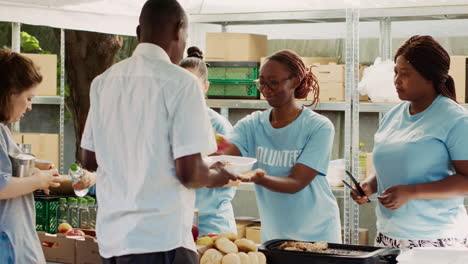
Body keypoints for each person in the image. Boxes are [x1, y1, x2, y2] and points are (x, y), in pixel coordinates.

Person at [74, 0, 236, 263]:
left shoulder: (103, 82)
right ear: (179, 29)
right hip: (161, 240)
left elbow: (89, 159)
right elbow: (190, 174)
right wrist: (217, 175)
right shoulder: (182, 83)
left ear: (139, 33)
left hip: (113, 240)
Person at [352, 35, 468, 249]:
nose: (396, 80)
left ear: (429, 77)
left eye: (405, 74)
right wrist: (369, 185)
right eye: (396, 72)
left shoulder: (455, 119)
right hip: (388, 236)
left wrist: (413, 191)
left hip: (436, 240)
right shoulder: (392, 116)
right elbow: (391, 166)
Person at [224, 50, 341, 243]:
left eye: (273, 82)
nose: (266, 88)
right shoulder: (251, 125)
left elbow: (296, 183)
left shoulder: (318, 126)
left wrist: (258, 178)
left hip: (318, 236)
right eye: (261, 82)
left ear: (295, 81)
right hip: (275, 237)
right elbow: (225, 156)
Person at [0, 49, 60, 263]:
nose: (30, 106)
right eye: (28, 98)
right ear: (10, 92)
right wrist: (39, 180)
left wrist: (35, 168)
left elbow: (10, 166)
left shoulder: (3, 130)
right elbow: (2, 186)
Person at [179, 47, 237, 236]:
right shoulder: (169, 122)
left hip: (212, 221)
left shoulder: (218, 125)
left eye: (192, 85)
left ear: (205, 87)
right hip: (177, 220)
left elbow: (232, 174)